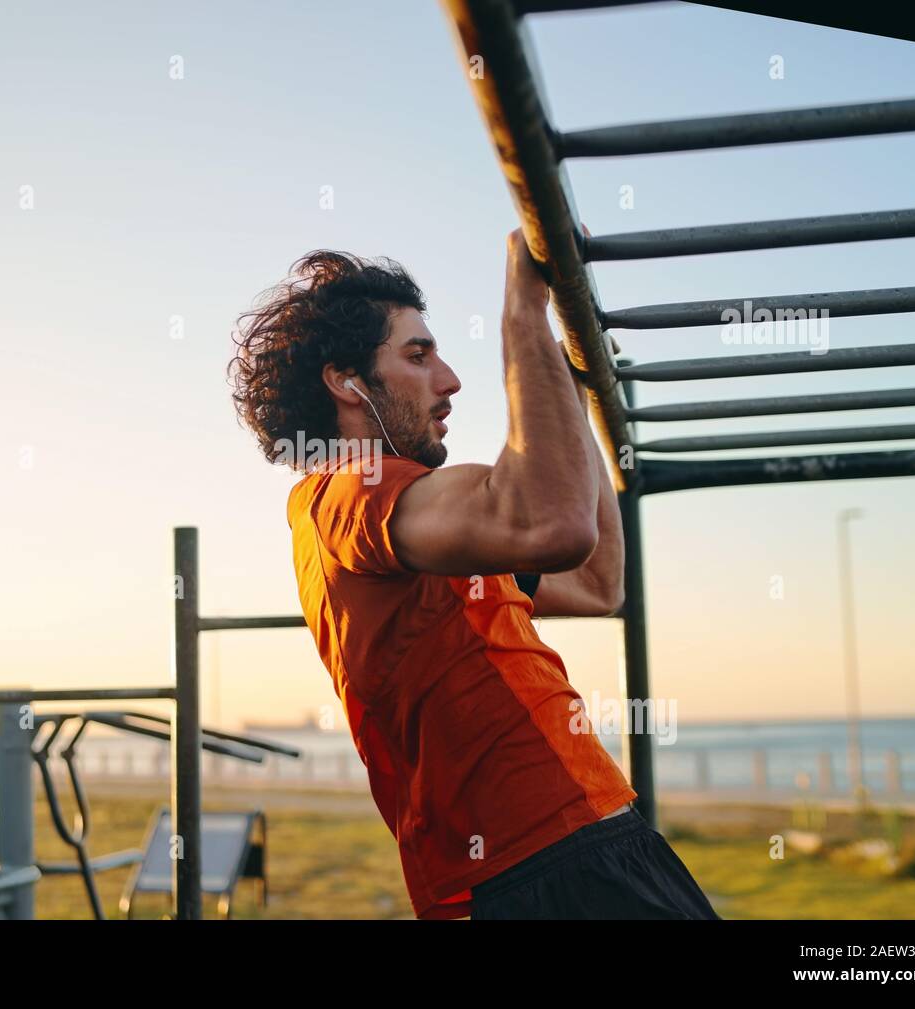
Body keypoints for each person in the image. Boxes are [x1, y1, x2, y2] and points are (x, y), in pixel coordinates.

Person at [227, 229, 720, 920]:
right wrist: (525, 312)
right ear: (345, 381)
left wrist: (569, 392)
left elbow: (596, 579)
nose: (450, 379)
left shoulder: (426, 533)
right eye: (417, 354)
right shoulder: (346, 493)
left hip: (594, 831)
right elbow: (551, 521)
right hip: (541, 860)